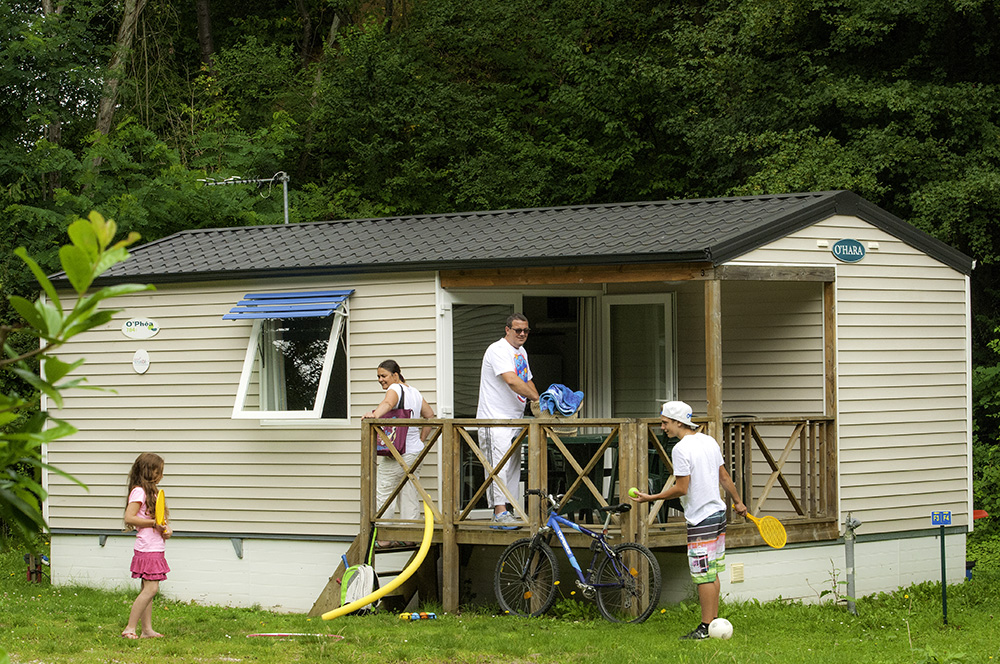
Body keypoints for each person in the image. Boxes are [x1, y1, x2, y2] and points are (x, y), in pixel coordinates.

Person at [630, 401, 748, 640]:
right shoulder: (708, 440)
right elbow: (724, 476)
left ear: (678, 422)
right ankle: (713, 623)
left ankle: (705, 627)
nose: (663, 427)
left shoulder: (680, 449)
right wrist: (738, 501)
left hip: (701, 518)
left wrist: (652, 497)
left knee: (703, 574)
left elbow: (682, 488)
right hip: (717, 514)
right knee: (711, 571)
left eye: (665, 423)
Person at [476, 313, 539, 529]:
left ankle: (509, 509)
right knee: (497, 466)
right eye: (518, 330)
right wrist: (536, 399)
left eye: (526, 330)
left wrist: (541, 403)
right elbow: (511, 380)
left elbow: (527, 379)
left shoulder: (521, 352)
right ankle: (498, 513)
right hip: (495, 418)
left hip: (515, 418)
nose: (522, 334)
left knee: (513, 466)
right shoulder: (497, 349)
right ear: (507, 330)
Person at [362, 359, 435, 546]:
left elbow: (388, 402)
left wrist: (374, 415)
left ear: (395, 375)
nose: (380, 379)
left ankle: (385, 537)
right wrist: (421, 440)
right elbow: (430, 415)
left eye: (383, 375)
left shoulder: (394, 389)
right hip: (415, 452)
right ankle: (409, 536)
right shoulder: (415, 392)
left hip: (397, 451)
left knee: (385, 489)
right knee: (409, 491)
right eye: (378, 376)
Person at [122, 452, 172, 639]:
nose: (161, 475)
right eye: (159, 471)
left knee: (147, 590)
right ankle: (129, 628)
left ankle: (146, 630)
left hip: (155, 546)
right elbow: (129, 517)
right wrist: (153, 524)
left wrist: (166, 530)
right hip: (147, 548)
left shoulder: (154, 493)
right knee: (151, 589)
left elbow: (160, 521)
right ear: (148, 471)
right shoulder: (139, 491)